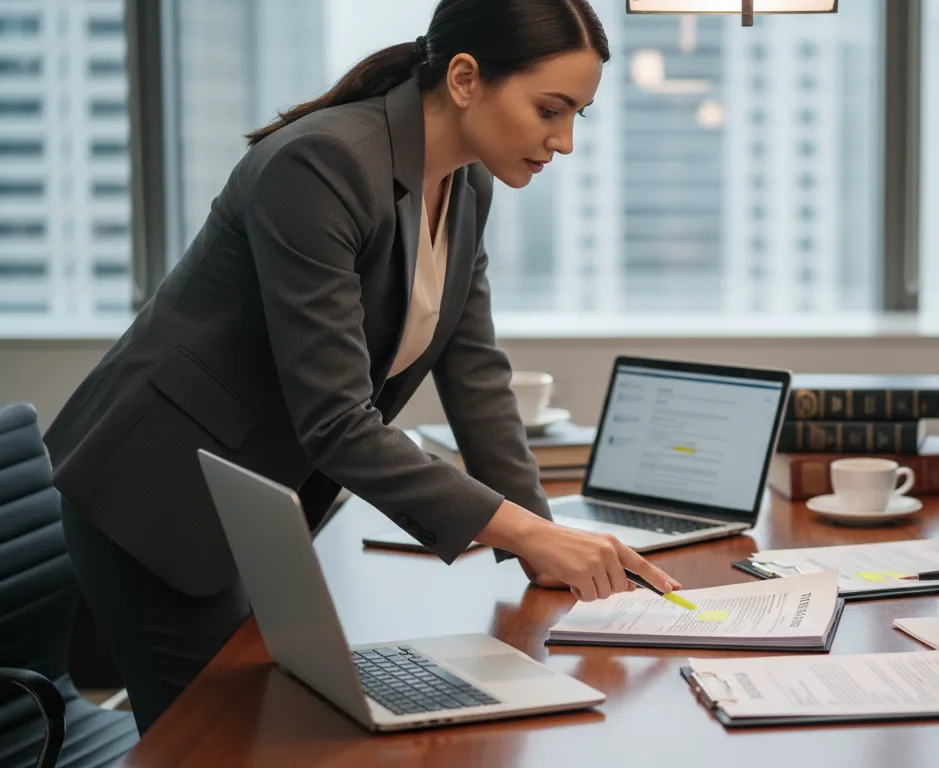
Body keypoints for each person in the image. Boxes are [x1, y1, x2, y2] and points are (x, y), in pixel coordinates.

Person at [42, 0, 679, 734]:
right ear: (466, 78)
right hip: (156, 496)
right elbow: (337, 421)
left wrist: (541, 537)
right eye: (550, 109)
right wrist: (530, 535)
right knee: (217, 745)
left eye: (578, 117)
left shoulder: (466, 183)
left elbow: (475, 375)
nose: (563, 141)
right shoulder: (323, 164)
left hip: (252, 501)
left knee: (279, 726)